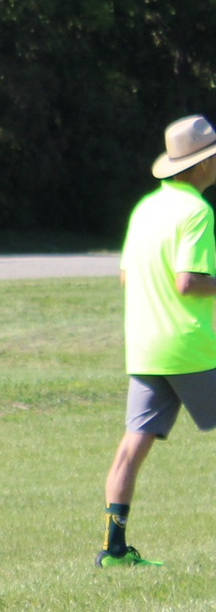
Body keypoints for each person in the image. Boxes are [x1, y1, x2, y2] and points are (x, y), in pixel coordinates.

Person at [98, 114, 216, 569]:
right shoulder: (197, 212)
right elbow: (189, 281)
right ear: (203, 166)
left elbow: (127, 275)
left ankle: (114, 549)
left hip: (146, 348)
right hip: (191, 347)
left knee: (132, 446)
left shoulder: (145, 209)